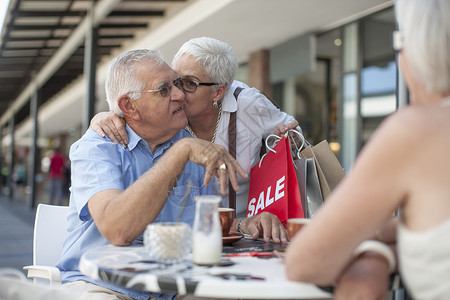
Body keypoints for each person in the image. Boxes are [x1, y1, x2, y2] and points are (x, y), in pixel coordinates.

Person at [56, 49, 286, 300]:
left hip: (173, 288)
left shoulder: (190, 146)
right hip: (101, 283)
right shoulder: (98, 147)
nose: (179, 95)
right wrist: (180, 154)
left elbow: (202, 222)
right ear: (128, 106)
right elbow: (118, 230)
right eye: (164, 89)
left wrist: (245, 225)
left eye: (177, 84)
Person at [285, 0, 450, 299]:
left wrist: (372, 249)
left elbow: (305, 262)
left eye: (399, 41)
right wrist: (383, 251)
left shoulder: (418, 130)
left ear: (419, 48)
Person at [90, 37, 301, 220]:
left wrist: (285, 139)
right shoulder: (167, 120)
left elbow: (293, 134)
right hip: (192, 227)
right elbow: (136, 111)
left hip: (246, 224)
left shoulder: (247, 104)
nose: (178, 93)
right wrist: (105, 117)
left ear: (218, 92)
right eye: (172, 82)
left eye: (188, 83)